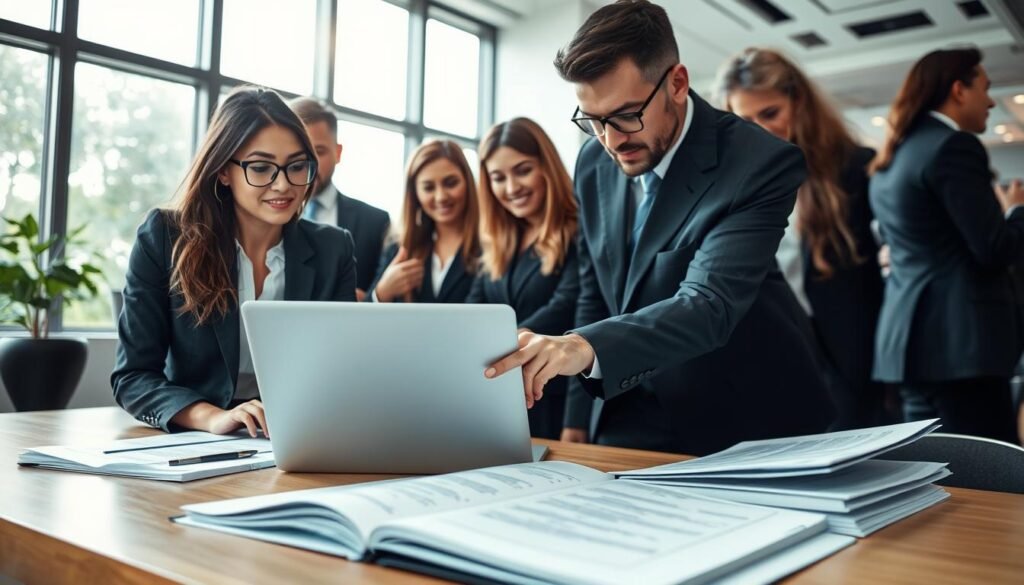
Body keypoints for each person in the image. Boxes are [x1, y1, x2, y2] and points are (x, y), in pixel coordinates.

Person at [486, 0, 833, 456]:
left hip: (739, 412)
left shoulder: (758, 162)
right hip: (626, 401)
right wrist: (577, 416)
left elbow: (707, 304)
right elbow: (597, 291)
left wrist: (583, 347)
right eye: (593, 120)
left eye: (627, 115)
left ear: (677, 83)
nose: (611, 141)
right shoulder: (593, 161)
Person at [111, 86, 357, 436]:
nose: (283, 185)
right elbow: (132, 377)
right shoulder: (165, 237)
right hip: (198, 439)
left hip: (297, 435)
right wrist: (211, 416)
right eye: (261, 168)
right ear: (224, 171)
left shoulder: (335, 249)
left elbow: (344, 372)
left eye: (297, 166)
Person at [715, 48, 885, 430]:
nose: (759, 128)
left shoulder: (854, 168)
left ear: (799, 103)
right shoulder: (734, 184)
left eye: (770, 113)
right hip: (777, 351)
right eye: (745, 119)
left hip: (850, 352)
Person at [869, 47, 1024, 443]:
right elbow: (993, 250)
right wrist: (1016, 212)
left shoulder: (893, 156)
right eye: (985, 88)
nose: (991, 101)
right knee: (993, 476)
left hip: (907, 347)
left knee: (936, 472)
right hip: (963, 347)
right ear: (959, 90)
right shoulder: (954, 147)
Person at [467, 118, 581, 440]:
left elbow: (566, 304)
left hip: (554, 396)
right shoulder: (496, 240)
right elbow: (474, 308)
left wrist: (498, 344)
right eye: (498, 177)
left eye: (523, 170)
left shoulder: (577, 228)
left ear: (546, 167)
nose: (512, 187)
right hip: (499, 395)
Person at [290, 97, 390, 301]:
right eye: (298, 153)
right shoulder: (267, 222)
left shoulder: (375, 222)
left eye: (318, 151)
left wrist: (371, 298)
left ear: (338, 153)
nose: (309, 163)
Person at [367, 140, 480, 304]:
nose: (441, 196)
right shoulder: (401, 246)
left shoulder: (490, 245)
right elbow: (362, 318)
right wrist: (383, 291)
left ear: (467, 182)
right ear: (415, 194)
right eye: (428, 188)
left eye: (451, 183)